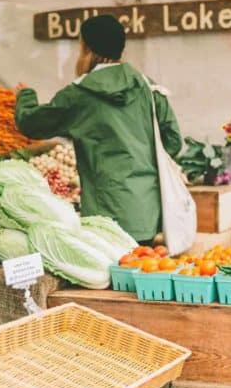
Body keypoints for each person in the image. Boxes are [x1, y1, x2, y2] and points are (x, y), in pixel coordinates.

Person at [15, 14, 183, 244]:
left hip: (105, 218)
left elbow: (31, 124)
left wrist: (26, 96)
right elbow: (173, 141)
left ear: (87, 49)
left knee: (110, 277)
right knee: (141, 272)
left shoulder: (78, 95)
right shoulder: (146, 86)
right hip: (149, 215)